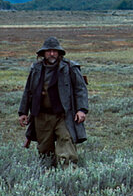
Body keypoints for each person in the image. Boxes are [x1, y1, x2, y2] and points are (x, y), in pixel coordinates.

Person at [18, 37, 89, 167]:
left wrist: (81, 109)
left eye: (54, 51)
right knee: (44, 150)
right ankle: (48, 178)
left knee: (66, 143)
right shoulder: (36, 69)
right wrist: (23, 112)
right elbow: (28, 91)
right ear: (43, 53)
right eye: (49, 51)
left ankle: (68, 177)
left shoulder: (70, 68)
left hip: (64, 115)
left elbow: (80, 89)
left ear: (59, 52)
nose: (52, 54)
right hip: (41, 115)